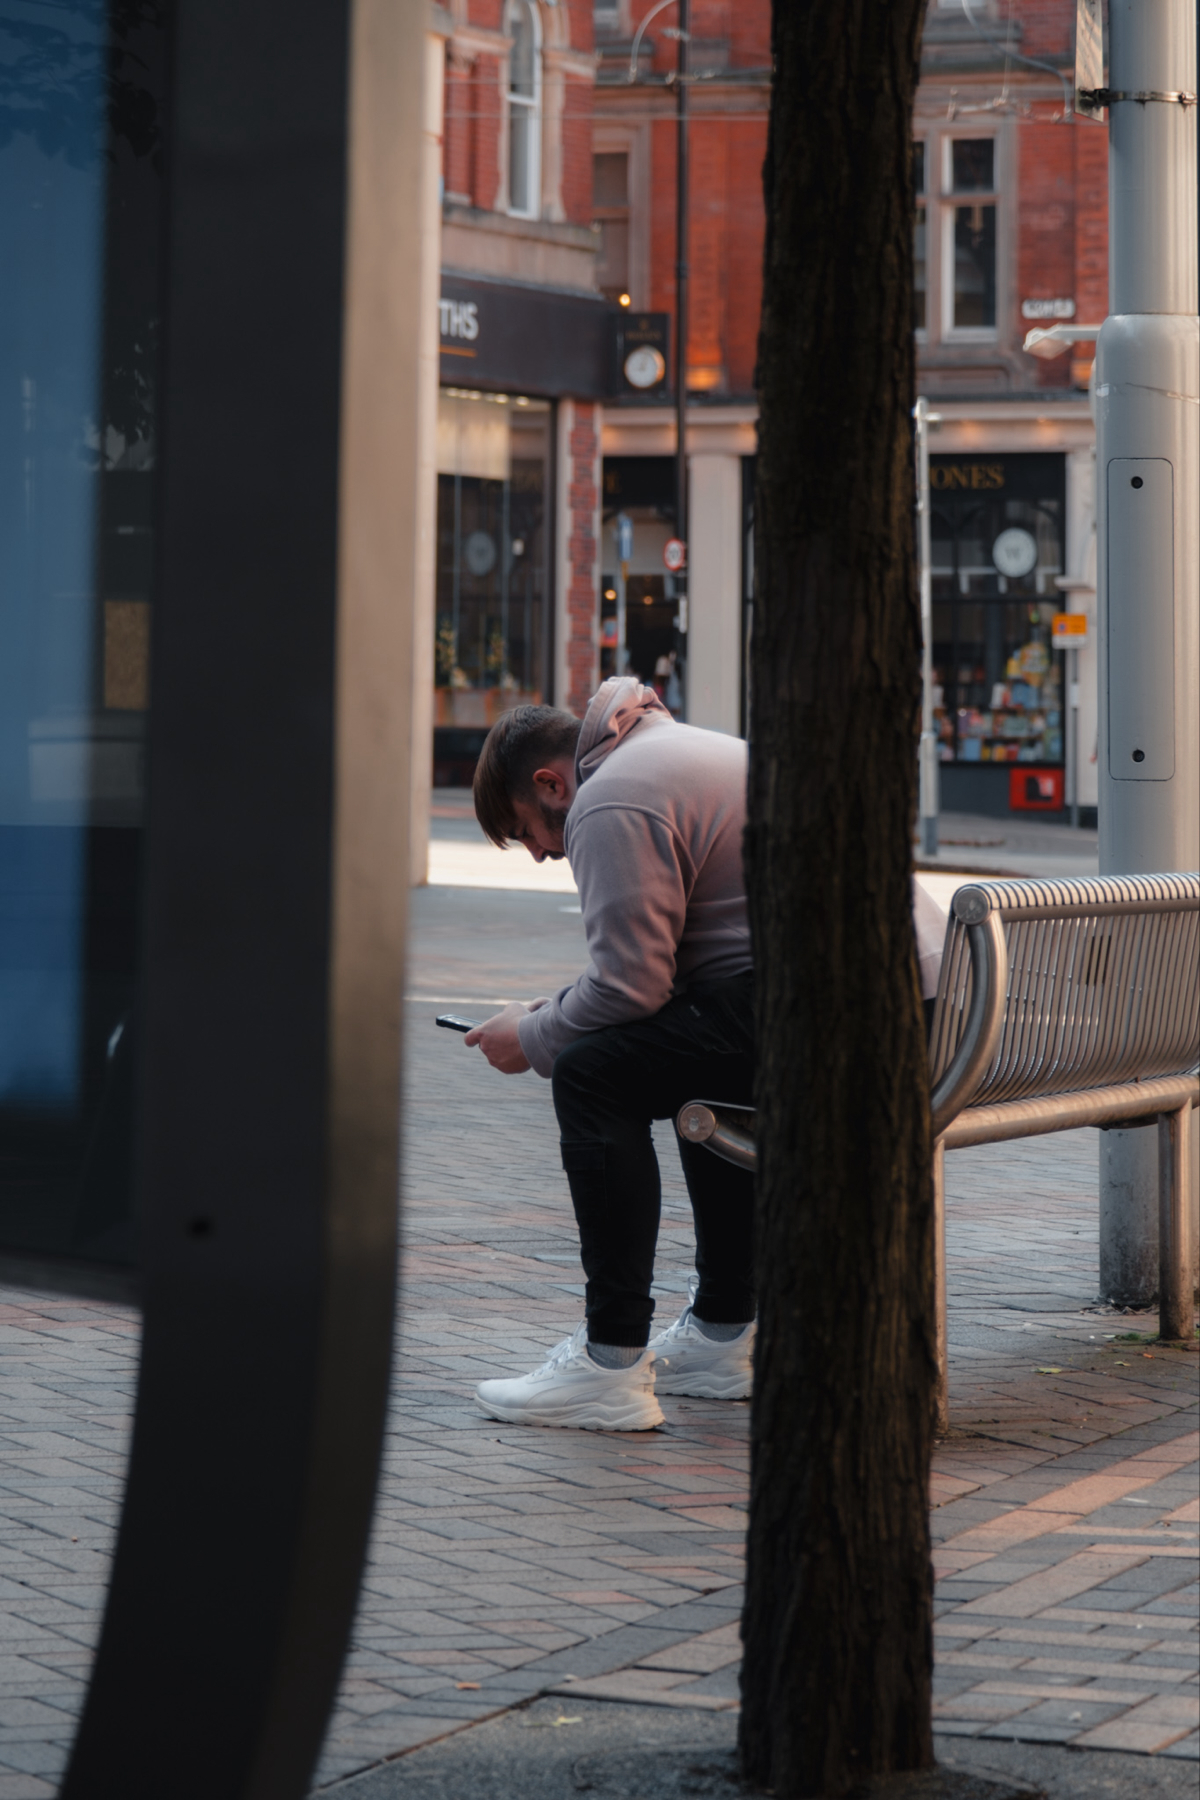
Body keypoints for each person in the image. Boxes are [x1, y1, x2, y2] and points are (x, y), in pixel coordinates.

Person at [464, 676, 755, 1431]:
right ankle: (725, 1331)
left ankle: (609, 1364)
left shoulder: (609, 798)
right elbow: (653, 984)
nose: (540, 855)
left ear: (550, 784)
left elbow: (630, 988)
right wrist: (551, 1013)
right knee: (681, 1061)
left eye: (527, 832)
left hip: (831, 1016)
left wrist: (533, 1039)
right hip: (909, 1005)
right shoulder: (665, 752)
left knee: (592, 1076)